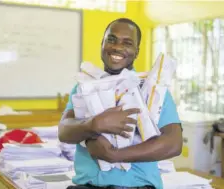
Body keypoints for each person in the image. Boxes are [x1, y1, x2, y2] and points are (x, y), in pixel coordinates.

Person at [58, 18, 183, 189]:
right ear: (102, 43)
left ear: (136, 51)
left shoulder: (152, 89)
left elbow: (173, 144)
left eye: (127, 43)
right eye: (111, 40)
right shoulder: (84, 86)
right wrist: (94, 124)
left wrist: (115, 155)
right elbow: (64, 131)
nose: (117, 47)